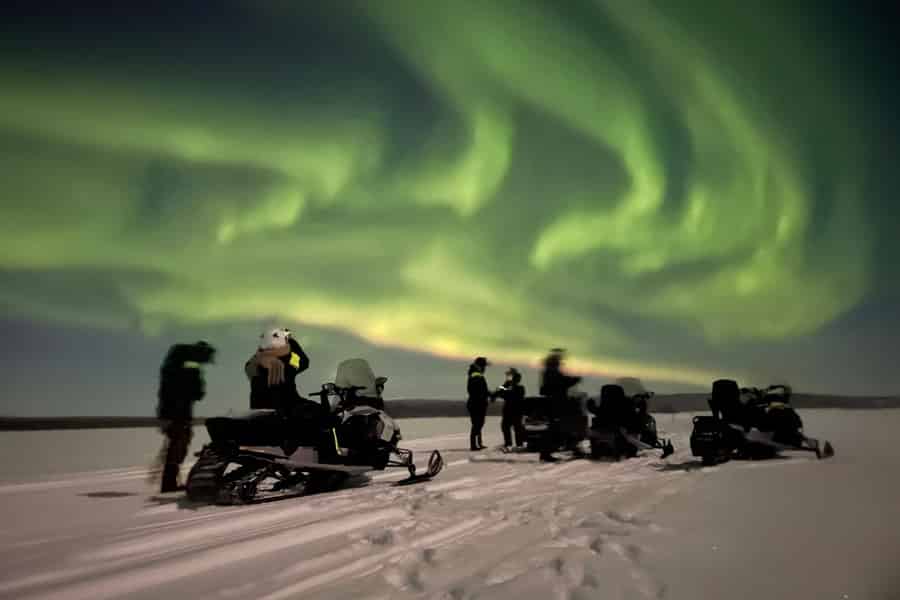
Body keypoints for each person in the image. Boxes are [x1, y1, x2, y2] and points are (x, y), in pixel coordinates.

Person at [155, 340, 216, 493]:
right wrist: (198, 383)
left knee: (176, 445)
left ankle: (169, 482)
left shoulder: (176, 361)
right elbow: (197, 393)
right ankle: (169, 484)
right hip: (179, 413)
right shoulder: (190, 366)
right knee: (178, 445)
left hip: (169, 411)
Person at [538, 348, 582, 462]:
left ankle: (572, 448)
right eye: (558, 362)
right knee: (557, 428)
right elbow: (561, 383)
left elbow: (560, 382)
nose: (560, 364)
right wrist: (574, 380)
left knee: (562, 426)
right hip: (556, 404)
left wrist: (572, 380)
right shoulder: (552, 373)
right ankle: (546, 453)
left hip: (556, 404)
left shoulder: (549, 372)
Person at [493, 367, 526, 450]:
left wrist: (506, 384)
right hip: (512, 410)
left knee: (514, 427)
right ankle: (512, 443)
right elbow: (500, 391)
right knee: (509, 427)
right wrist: (505, 384)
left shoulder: (518, 387)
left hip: (513, 410)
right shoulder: (510, 386)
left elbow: (504, 393)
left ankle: (516, 444)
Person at [466, 356, 491, 451]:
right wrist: (488, 394)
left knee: (478, 423)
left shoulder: (476, 374)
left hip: (477, 403)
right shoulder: (476, 375)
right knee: (477, 424)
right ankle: (474, 445)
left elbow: (482, 390)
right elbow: (480, 390)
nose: (485, 368)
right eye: (484, 366)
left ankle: (478, 443)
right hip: (476, 404)